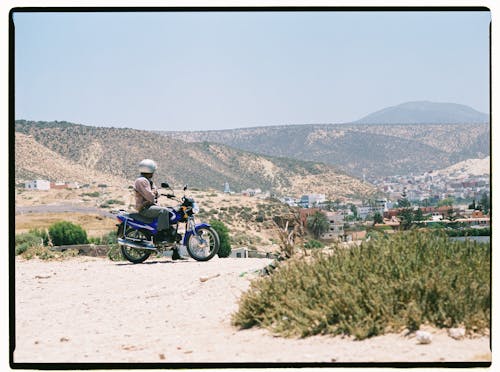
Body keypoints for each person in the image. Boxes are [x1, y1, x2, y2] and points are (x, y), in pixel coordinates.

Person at [134, 159, 183, 259]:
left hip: (151, 206)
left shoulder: (148, 181)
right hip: (145, 208)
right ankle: (161, 237)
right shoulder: (141, 181)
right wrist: (154, 193)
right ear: (150, 170)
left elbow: (156, 193)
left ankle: (175, 252)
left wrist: (155, 193)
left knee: (170, 214)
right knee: (163, 211)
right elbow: (151, 197)